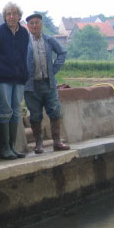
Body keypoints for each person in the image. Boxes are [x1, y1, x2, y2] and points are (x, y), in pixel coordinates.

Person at [0, 2, 29, 160]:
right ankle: (4, 148)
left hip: (19, 79)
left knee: (16, 112)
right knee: (5, 111)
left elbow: (26, 55)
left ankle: (12, 146)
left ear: (19, 16)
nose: (11, 17)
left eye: (14, 14)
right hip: (3, 78)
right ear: (5, 17)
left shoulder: (24, 33)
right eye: (8, 14)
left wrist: (25, 73)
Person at [24, 12, 70, 153]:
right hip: (31, 85)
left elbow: (62, 52)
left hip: (48, 83)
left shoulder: (49, 40)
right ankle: (39, 144)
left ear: (41, 24)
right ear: (28, 26)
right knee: (35, 114)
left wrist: (54, 69)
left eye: (37, 22)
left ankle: (57, 142)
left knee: (55, 111)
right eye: (31, 23)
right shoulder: (24, 42)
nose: (34, 26)